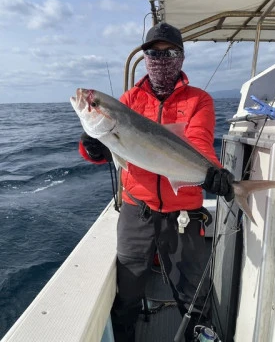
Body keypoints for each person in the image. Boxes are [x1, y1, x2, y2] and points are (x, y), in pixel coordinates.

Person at [79, 22, 234, 342]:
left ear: (182, 57)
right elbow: (112, 151)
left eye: (170, 53)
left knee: (193, 296)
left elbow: (200, 142)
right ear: (144, 57)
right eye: (153, 53)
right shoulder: (129, 100)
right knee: (129, 293)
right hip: (137, 211)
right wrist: (93, 145)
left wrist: (213, 173)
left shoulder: (198, 100)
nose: (161, 60)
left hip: (183, 212)